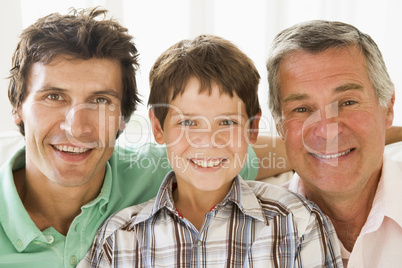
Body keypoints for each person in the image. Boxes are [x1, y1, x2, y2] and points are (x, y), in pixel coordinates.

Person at [0, 7, 289, 267]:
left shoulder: (158, 169)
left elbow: (239, 149)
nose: (78, 128)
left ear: (123, 119)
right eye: (54, 97)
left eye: (101, 101)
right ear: (17, 108)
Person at [79, 34, 342, 267]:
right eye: (188, 122)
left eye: (227, 122)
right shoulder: (118, 239)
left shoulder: (298, 223)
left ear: (253, 128)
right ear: (158, 128)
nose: (208, 141)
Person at [266, 20, 402, 267]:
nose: (328, 131)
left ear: (388, 106)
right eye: (303, 109)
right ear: (279, 126)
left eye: (348, 102)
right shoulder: (242, 234)